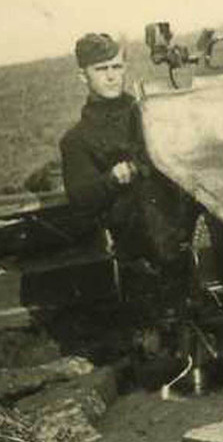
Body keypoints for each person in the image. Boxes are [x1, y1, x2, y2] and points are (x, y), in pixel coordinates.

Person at [60, 33, 188, 268]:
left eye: (116, 67)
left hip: (180, 227)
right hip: (136, 249)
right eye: (101, 69)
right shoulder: (77, 140)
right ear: (82, 76)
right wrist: (112, 179)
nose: (111, 76)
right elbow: (80, 197)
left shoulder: (151, 114)